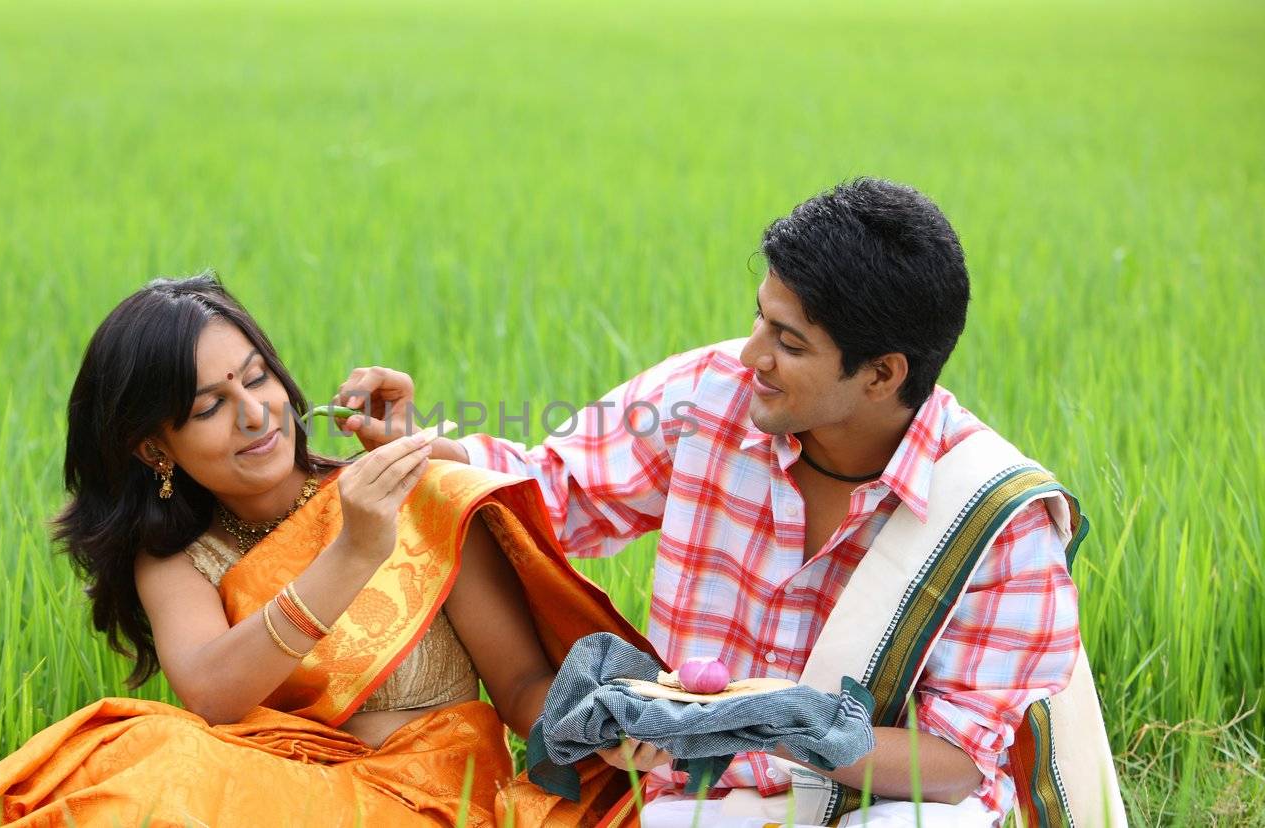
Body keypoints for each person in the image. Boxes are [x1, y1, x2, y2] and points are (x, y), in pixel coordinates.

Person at [332, 178, 1122, 826]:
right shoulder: (708, 395)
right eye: (760, 318)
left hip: (880, 804)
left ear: (883, 375)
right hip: (697, 797)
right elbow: (558, 489)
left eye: (790, 342)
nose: (752, 356)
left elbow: (958, 766)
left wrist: (790, 723)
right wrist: (421, 445)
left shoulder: (998, 519)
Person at [0, 275, 656, 828]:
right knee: (126, 763)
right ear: (153, 448)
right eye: (208, 406)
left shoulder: (404, 491)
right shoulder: (177, 555)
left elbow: (523, 680)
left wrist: (603, 728)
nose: (255, 413)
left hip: (430, 798)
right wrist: (355, 553)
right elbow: (210, 692)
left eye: (257, 377)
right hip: (271, 785)